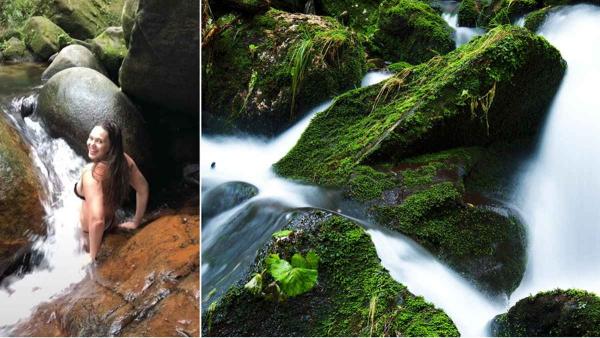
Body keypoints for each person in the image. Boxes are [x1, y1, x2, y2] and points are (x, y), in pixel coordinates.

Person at [74, 120, 149, 262]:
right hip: (112, 222)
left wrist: (92, 257)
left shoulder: (92, 174)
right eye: (91, 138)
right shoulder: (124, 161)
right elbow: (143, 188)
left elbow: (97, 220)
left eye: (99, 141)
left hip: (88, 233)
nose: (91, 144)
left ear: (111, 147)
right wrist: (136, 222)